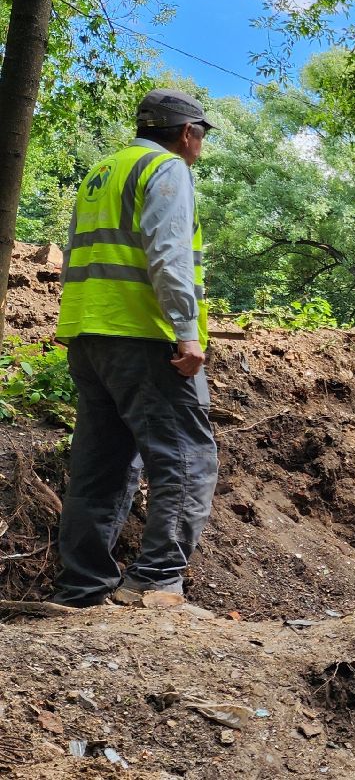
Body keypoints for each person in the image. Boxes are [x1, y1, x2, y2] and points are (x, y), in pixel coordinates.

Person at [50, 88, 216, 608]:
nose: (201, 146)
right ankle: (155, 578)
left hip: (88, 333)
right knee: (187, 457)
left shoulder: (101, 172)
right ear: (187, 133)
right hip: (145, 337)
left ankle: (82, 586)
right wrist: (186, 331)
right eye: (202, 135)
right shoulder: (167, 170)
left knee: (101, 463)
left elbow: (77, 252)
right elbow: (169, 256)